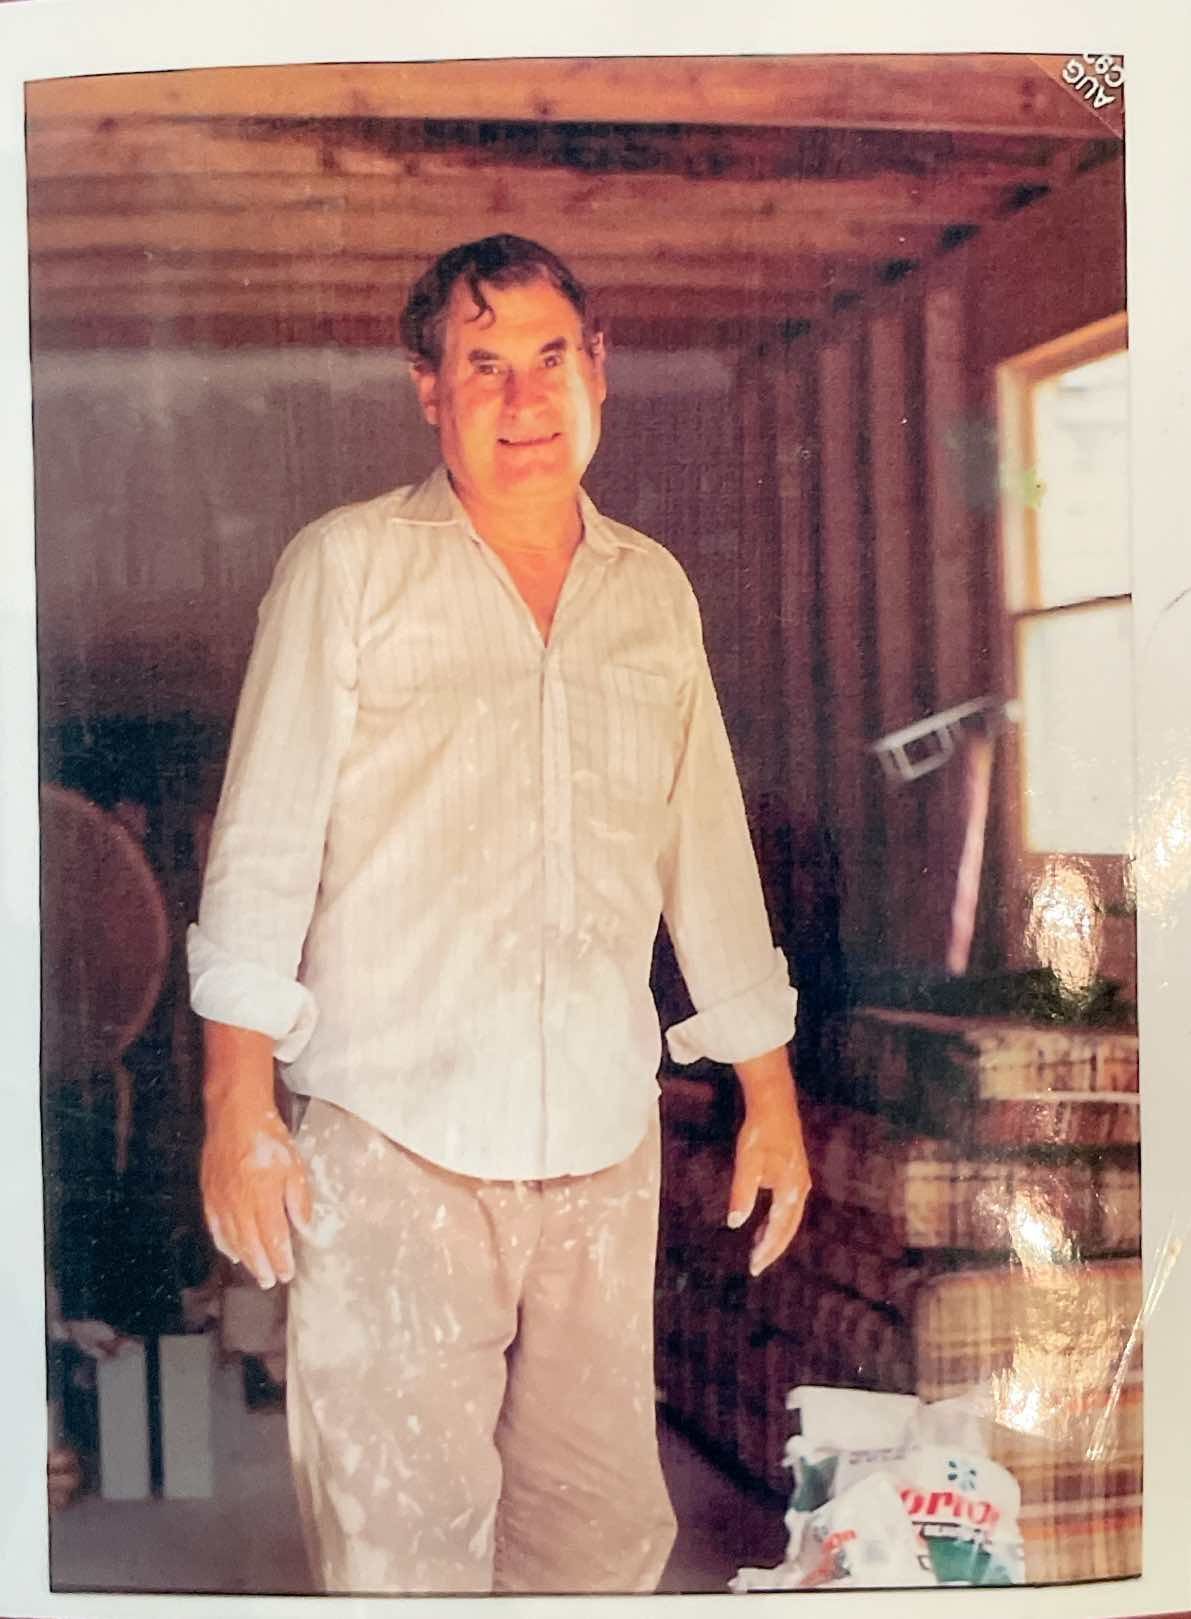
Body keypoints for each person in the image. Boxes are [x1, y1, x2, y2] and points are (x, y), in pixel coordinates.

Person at [188, 233, 812, 1596]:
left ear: (599, 372)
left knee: (597, 1535)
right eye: (484, 366)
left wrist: (768, 1091)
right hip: (391, 1133)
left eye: (549, 359)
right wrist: (240, 1103)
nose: (523, 401)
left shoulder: (651, 592)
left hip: (598, 1140)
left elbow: (702, 852)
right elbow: (263, 848)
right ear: (428, 389)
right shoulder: (345, 570)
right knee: (404, 1539)